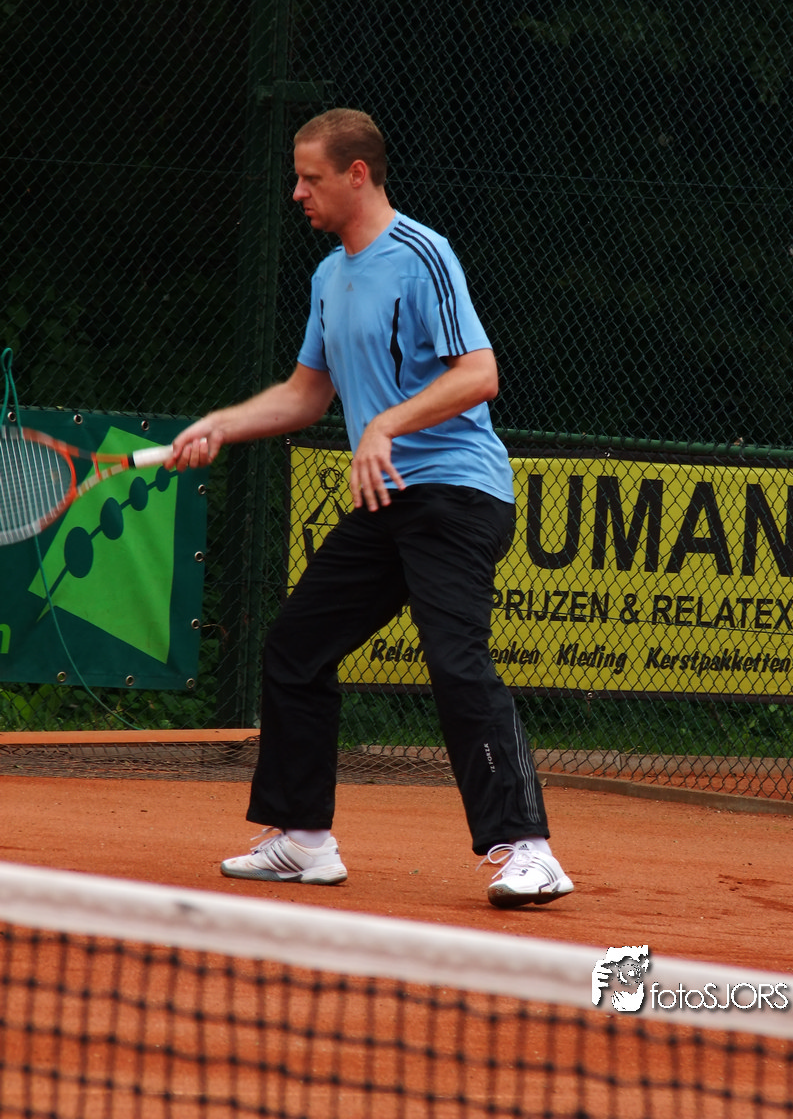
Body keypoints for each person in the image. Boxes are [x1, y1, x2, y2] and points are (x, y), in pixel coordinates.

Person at [172, 108, 572, 909]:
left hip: (457, 491)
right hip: (387, 498)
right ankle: (303, 838)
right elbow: (306, 394)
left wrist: (386, 424)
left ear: (357, 175)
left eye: (310, 178)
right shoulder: (329, 277)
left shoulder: (423, 256)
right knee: (296, 646)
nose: (297, 193)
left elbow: (480, 374)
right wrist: (221, 424)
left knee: (454, 659)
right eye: (296, 177)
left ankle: (530, 850)